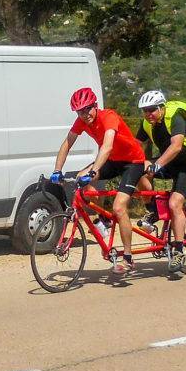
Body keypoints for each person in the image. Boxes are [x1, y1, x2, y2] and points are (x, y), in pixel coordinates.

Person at [51, 87, 149, 274]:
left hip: (132, 162)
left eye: (88, 108)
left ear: (95, 106)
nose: (85, 114)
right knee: (81, 177)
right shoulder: (81, 121)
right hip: (112, 161)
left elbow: (107, 145)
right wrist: (57, 170)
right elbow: (67, 143)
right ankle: (102, 218)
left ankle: (127, 258)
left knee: (119, 207)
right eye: (80, 111)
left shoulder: (108, 116)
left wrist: (94, 169)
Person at [135, 90, 186, 272]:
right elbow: (135, 144)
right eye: (144, 111)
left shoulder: (176, 117)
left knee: (175, 203)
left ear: (161, 107)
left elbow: (176, 146)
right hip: (169, 163)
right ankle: (152, 211)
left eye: (152, 110)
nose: (148, 114)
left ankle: (178, 252)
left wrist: (157, 165)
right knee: (140, 171)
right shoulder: (147, 123)